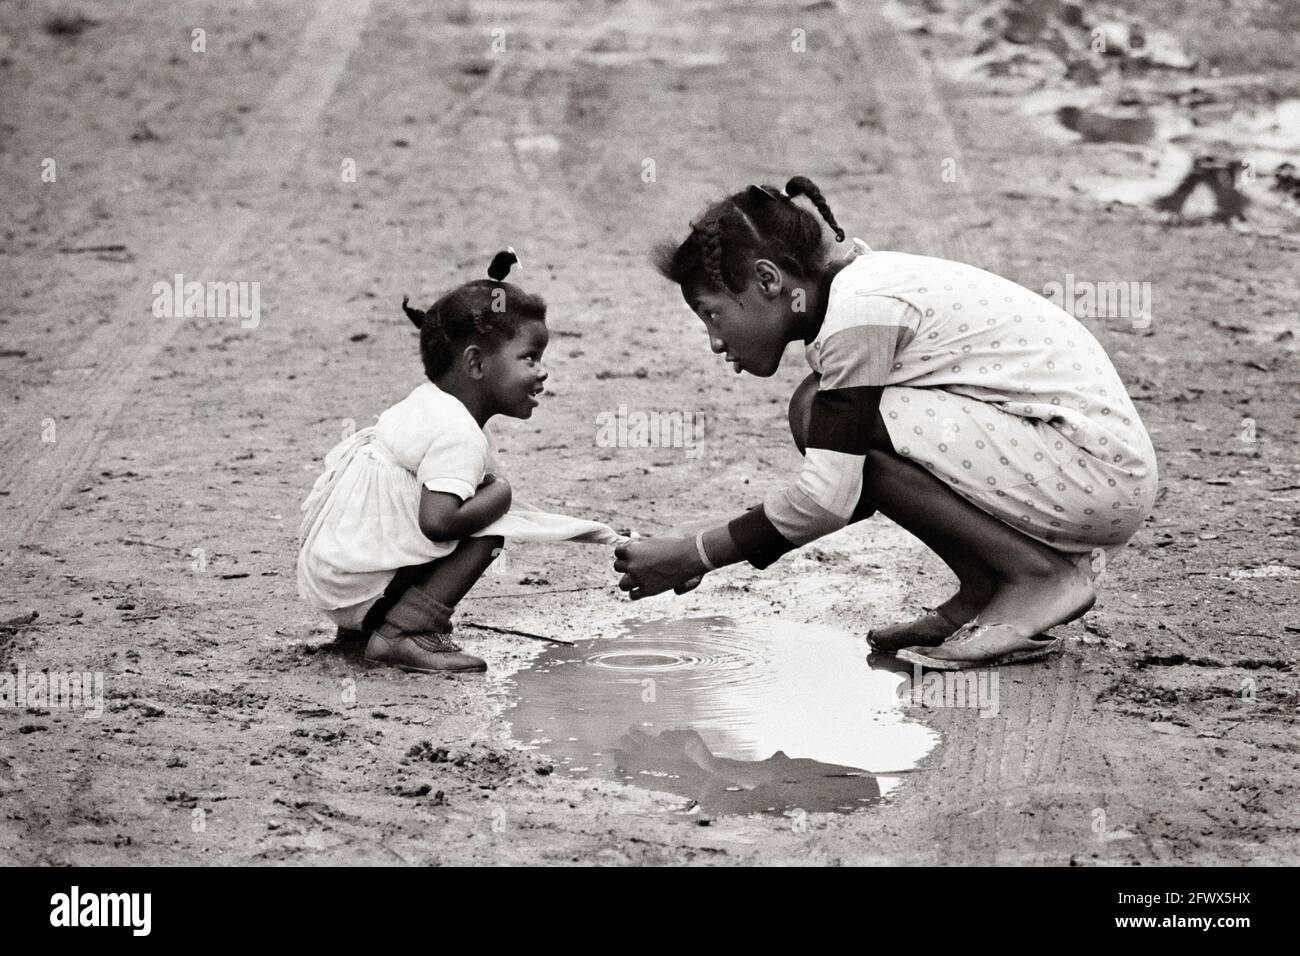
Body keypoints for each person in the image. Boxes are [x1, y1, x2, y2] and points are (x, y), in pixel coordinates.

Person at [614, 177, 1158, 669]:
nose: (714, 340)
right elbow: (854, 489)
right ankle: (986, 586)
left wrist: (697, 552)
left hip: (1091, 471)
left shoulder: (860, 312)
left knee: (819, 415)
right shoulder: (856, 295)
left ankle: (1038, 579)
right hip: (1078, 467)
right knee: (820, 413)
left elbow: (829, 497)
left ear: (767, 279)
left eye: (713, 313)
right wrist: (723, 549)